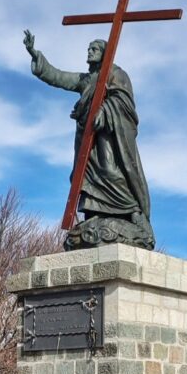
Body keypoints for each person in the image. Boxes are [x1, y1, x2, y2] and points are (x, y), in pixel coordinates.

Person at [23, 30, 154, 250]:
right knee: (87, 177)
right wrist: (36, 56)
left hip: (110, 137)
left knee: (113, 173)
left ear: (104, 53)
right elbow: (59, 77)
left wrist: (106, 111)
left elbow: (124, 103)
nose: (89, 52)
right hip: (88, 140)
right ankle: (94, 214)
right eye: (88, 49)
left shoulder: (116, 74)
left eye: (94, 49)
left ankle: (133, 212)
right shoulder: (87, 79)